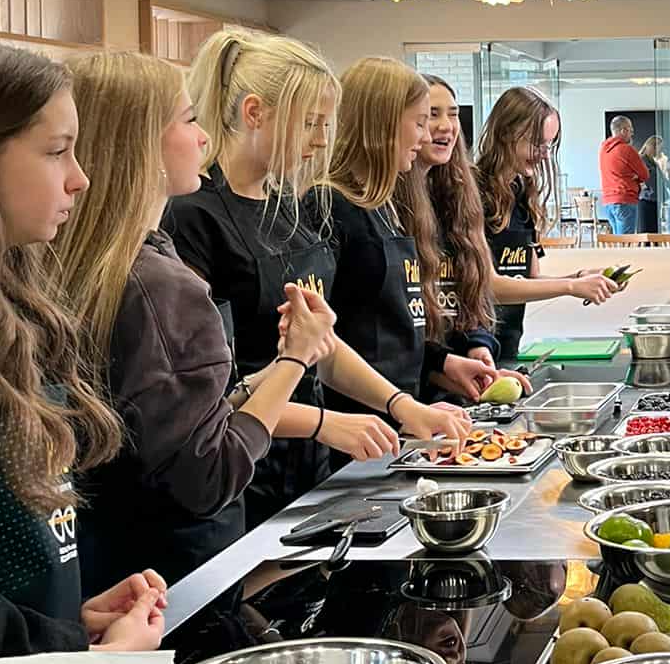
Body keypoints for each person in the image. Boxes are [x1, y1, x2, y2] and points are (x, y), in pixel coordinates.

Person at [0, 37, 166, 664]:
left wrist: (67, 620)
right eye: (57, 152)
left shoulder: (0, 312)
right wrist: (78, 656)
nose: (80, 178)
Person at [56, 53, 340, 592]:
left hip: (115, 567)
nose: (204, 137)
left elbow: (178, 417)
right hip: (173, 574)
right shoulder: (158, 284)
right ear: (141, 145)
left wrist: (262, 379)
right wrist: (294, 360)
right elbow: (209, 474)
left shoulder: (112, 262)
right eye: (189, 121)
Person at [167, 28, 469, 527]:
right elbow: (209, 399)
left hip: (309, 466)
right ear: (255, 113)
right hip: (241, 477)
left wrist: (400, 403)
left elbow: (321, 344)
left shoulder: (288, 208)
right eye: (309, 123)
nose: (321, 141)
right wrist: (325, 423)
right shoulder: (194, 217)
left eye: (325, 125)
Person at [325, 59, 505, 440]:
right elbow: (333, 343)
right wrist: (401, 404)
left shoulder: (384, 206)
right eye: (420, 122)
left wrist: (441, 365)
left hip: (397, 420)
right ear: (381, 125)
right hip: (360, 428)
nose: (425, 138)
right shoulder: (331, 207)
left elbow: (398, 325)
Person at [475, 86, 620, 366]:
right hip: (473, 350)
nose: (543, 154)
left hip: (507, 346)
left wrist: (581, 278)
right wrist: (571, 286)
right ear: (505, 133)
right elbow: (488, 286)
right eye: (537, 144)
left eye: (549, 145)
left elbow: (528, 279)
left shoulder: (521, 195)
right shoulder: (473, 195)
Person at [414, 72, 507, 399]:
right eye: (431, 115)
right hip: (408, 395)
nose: (445, 126)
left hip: (453, 391)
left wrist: (477, 346)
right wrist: (440, 366)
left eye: (452, 115)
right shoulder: (386, 209)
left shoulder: (458, 198)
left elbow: (470, 294)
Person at [599, 115, 650, 236]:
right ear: (623, 130)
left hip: (608, 202)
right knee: (626, 243)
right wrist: (636, 177)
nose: (632, 133)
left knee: (619, 241)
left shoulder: (603, 149)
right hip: (624, 200)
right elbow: (645, 174)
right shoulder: (627, 150)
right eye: (631, 130)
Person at [637, 132, 667, 234]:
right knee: (646, 231)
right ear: (652, 147)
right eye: (660, 148)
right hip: (646, 200)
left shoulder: (653, 162)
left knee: (654, 232)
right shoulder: (641, 160)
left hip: (654, 200)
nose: (661, 151)